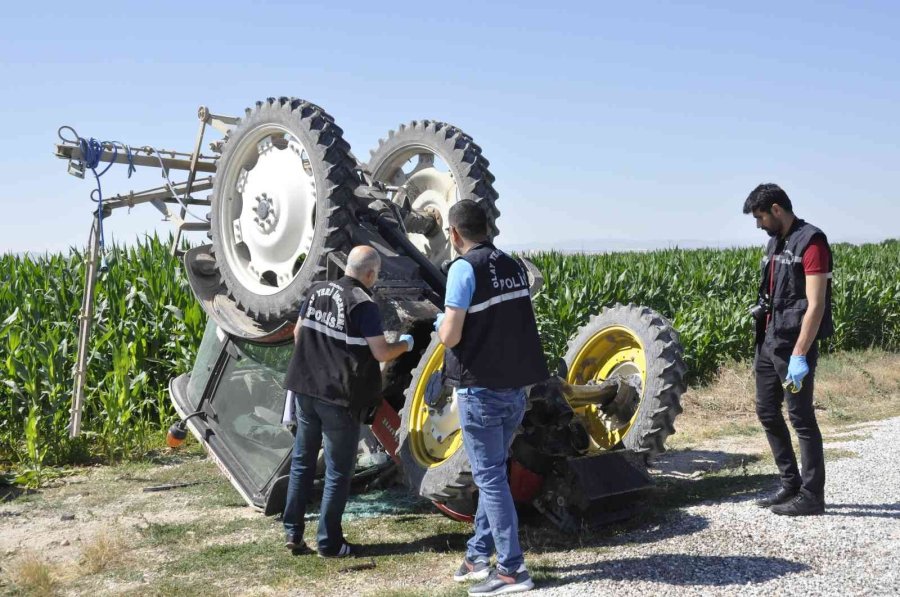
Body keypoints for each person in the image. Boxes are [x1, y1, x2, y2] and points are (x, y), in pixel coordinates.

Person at [436, 200, 549, 595]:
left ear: (454, 233)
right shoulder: (513, 266)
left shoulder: (463, 269)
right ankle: (477, 556)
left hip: (480, 391)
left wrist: (439, 323)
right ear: (488, 228)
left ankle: (513, 570)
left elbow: (450, 336)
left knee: (490, 480)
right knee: (494, 474)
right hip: (514, 391)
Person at [281, 245, 414, 556]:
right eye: (377, 274)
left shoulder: (317, 290)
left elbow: (299, 332)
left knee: (302, 462)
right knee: (339, 471)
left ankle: (293, 532)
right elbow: (381, 352)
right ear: (369, 273)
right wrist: (405, 344)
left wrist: (320, 358)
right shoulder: (363, 303)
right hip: (339, 399)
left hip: (304, 389)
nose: (376, 279)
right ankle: (329, 542)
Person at [744, 183, 833, 516]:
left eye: (760, 217)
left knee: (801, 419)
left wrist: (799, 354)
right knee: (767, 411)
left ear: (776, 210)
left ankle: (812, 496)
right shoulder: (774, 243)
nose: (758, 224)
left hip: (795, 346)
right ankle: (790, 484)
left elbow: (816, 305)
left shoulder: (812, 242)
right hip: (769, 342)